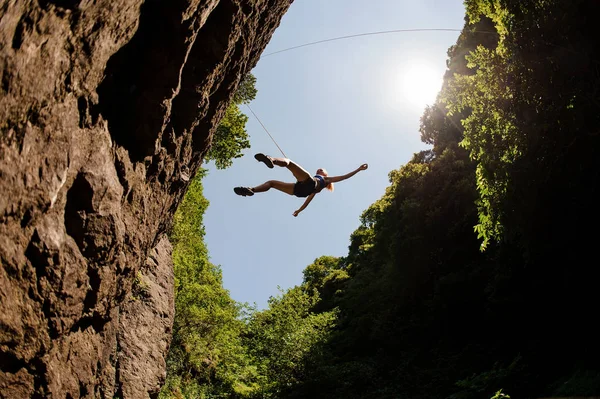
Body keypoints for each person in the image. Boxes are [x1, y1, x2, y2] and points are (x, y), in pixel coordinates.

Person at [234, 153, 368, 217]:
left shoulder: (325, 180)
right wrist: (298, 210)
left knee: (289, 162)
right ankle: (251, 190)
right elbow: (307, 201)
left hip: (306, 184)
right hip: (298, 191)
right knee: (272, 183)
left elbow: (344, 177)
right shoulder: (316, 189)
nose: (319, 169)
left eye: (322, 169)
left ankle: (272, 160)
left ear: (326, 175)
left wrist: (358, 169)